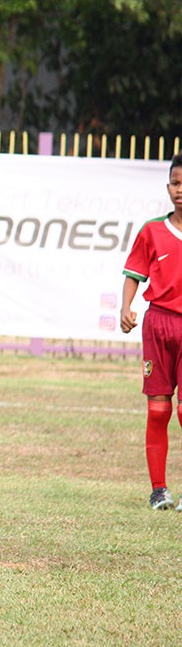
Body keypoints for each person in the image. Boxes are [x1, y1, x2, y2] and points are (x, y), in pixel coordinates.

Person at [121, 152, 182, 511]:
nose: (180, 191)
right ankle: (159, 489)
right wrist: (126, 307)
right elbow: (133, 274)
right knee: (158, 409)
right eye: (175, 184)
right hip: (157, 324)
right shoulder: (152, 230)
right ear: (167, 187)